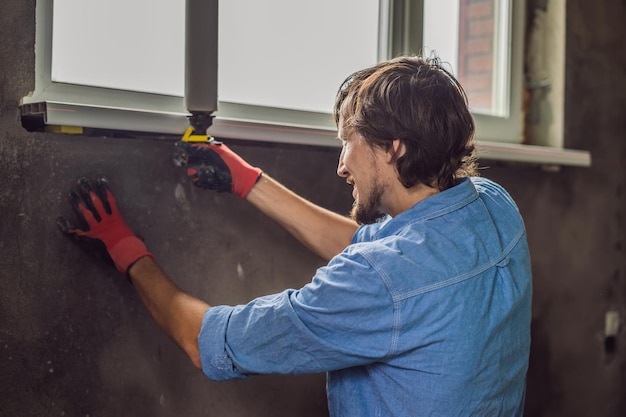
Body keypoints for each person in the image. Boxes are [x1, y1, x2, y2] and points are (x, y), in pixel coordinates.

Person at [58, 55, 532, 416]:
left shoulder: (381, 280)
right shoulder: (491, 205)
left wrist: (124, 247)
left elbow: (207, 342)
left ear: (394, 148)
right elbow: (386, 261)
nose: (342, 164)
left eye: (350, 141)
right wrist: (249, 182)